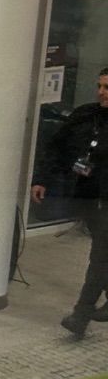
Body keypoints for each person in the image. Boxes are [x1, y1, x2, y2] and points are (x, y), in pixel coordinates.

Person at [32, 67, 108, 339]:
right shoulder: (86, 115)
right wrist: (42, 179)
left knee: (99, 258)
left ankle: (81, 315)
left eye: (107, 88)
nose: (101, 92)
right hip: (85, 195)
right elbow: (56, 147)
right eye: (99, 86)